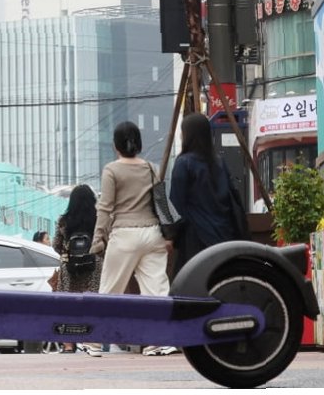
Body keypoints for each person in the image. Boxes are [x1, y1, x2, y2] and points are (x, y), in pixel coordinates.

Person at [90, 120, 176, 357]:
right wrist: (169, 235)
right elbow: (162, 202)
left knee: (110, 291)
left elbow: (105, 207)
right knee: (156, 291)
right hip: (153, 234)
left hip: (124, 235)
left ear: (115, 145)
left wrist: (98, 238)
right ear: (139, 144)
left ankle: (94, 342)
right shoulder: (151, 168)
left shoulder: (112, 170)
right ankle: (158, 341)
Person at [170, 112, 246, 272]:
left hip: (196, 240)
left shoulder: (183, 163)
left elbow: (176, 207)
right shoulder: (219, 162)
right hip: (225, 236)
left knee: (190, 282)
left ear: (188, 135)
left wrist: (170, 236)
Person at [52, 184, 102, 354]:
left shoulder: (63, 220)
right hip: (94, 266)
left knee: (68, 305)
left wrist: (67, 252)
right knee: (92, 304)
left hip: (70, 267)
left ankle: (68, 344)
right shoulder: (98, 219)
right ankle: (90, 340)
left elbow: (56, 245)